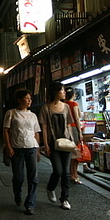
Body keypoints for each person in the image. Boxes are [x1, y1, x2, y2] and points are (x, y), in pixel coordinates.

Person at [3, 89, 41, 215]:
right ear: (19, 100)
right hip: (17, 148)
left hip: (31, 147)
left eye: (30, 98)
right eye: (27, 98)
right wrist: (8, 147)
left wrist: (38, 149)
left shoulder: (33, 115)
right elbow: (6, 131)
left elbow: (36, 132)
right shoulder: (11, 113)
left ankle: (30, 204)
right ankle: (17, 193)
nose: (29, 100)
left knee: (33, 178)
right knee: (18, 177)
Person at [39, 82, 75, 210]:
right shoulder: (45, 108)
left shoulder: (66, 107)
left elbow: (69, 124)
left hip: (66, 142)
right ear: (55, 92)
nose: (64, 92)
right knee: (58, 171)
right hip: (53, 143)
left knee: (66, 172)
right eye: (62, 90)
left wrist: (72, 141)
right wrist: (46, 144)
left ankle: (64, 199)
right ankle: (50, 188)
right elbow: (43, 127)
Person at [64, 87, 84, 184]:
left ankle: (69, 174)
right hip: (73, 128)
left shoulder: (63, 104)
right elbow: (76, 118)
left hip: (65, 130)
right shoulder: (73, 104)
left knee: (68, 152)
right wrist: (80, 132)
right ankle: (74, 175)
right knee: (75, 153)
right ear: (74, 95)